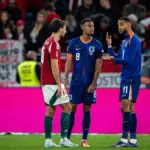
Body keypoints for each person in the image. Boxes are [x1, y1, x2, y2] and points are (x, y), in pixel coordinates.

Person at [64, 18, 103, 147]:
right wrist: (65, 78)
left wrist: (93, 84)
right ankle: (67, 138)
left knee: (87, 108)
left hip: (89, 83)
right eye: (89, 26)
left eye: (93, 26)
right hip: (75, 82)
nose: (92, 28)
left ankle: (84, 139)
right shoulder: (73, 43)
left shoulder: (97, 45)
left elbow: (98, 68)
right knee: (72, 108)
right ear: (82, 27)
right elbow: (69, 62)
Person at [105, 16, 141, 147]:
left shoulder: (134, 40)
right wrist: (109, 46)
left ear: (128, 24)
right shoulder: (124, 41)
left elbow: (129, 61)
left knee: (125, 106)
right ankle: (133, 140)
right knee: (129, 108)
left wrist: (114, 60)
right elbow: (117, 57)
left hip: (132, 77)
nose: (119, 27)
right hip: (125, 77)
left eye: (121, 24)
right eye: (118, 25)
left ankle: (125, 139)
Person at [40, 19, 76, 148]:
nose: (65, 30)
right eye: (64, 28)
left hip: (45, 81)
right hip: (52, 82)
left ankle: (48, 140)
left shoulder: (47, 42)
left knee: (50, 110)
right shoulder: (54, 44)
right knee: (68, 107)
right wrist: (59, 84)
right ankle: (64, 139)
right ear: (60, 28)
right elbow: (54, 66)